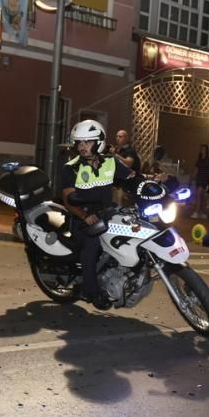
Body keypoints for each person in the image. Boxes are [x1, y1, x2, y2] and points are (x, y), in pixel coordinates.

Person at [60, 119, 136, 310]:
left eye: (88, 142)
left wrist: (153, 182)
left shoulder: (110, 162)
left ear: (99, 142)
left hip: (108, 213)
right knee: (92, 246)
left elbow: (131, 178)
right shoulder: (71, 168)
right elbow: (69, 200)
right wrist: (84, 216)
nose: (82, 147)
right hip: (82, 218)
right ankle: (91, 291)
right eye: (79, 143)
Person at [191, 144, 209, 219]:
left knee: (198, 194)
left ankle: (196, 212)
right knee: (201, 196)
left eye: (204, 149)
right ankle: (202, 212)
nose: (202, 150)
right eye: (201, 149)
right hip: (199, 178)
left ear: (206, 150)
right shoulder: (199, 159)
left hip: (205, 179)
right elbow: (196, 169)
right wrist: (193, 177)